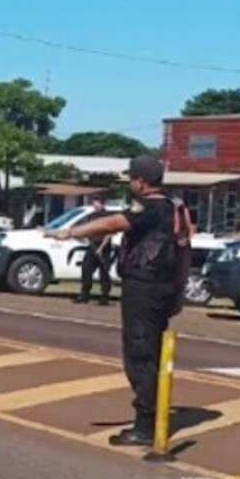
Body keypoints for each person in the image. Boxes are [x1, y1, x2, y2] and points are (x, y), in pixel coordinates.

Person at [47, 156, 192, 447]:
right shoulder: (176, 208)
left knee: (140, 355)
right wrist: (178, 290)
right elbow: (185, 249)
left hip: (144, 286)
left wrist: (71, 231)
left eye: (131, 178)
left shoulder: (149, 207)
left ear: (141, 181)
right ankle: (150, 417)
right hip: (162, 287)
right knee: (149, 352)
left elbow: (114, 222)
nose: (130, 183)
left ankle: (145, 425)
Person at [74, 197, 112, 306]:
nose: (95, 205)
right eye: (94, 203)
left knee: (104, 273)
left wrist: (101, 248)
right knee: (86, 269)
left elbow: (109, 234)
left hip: (104, 248)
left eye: (97, 203)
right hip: (92, 246)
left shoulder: (107, 216)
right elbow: (88, 230)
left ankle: (105, 297)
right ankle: (84, 295)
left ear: (102, 204)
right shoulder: (92, 216)